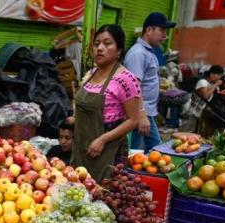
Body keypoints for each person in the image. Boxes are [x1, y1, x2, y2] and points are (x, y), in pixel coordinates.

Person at [70, 24, 141, 182]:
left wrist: (103, 140)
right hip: (82, 148)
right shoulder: (90, 73)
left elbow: (133, 120)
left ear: (119, 49)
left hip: (108, 151)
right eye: (96, 44)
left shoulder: (126, 79)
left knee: (104, 197)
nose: (100, 48)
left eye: (107, 43)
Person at [124, 12, 175, 151]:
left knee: (154, 153)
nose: (165, 35)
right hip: (138, 114)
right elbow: (133, 86)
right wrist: (141, 115)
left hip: (146, 113)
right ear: (148, 30)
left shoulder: (149, 51)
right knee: (137, 155)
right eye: (162, 30)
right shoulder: (138, 53)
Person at [194, 65, 225, 136]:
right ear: (212, 74)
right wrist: (215, 85)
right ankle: (217, 135)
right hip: (203, 107)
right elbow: (205, 96)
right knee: (221, 114)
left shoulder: (211, 83)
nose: (219, 78)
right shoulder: (202, 82)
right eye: (219, 75)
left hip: (212, 105)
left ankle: (219, 134)